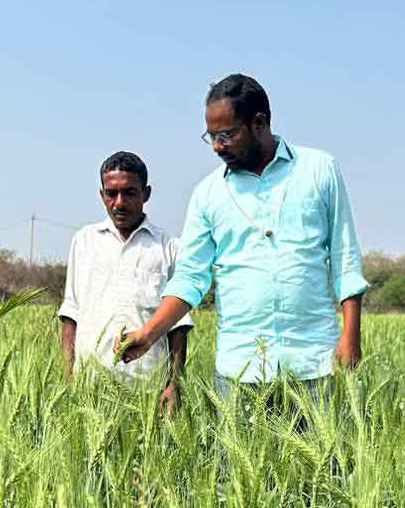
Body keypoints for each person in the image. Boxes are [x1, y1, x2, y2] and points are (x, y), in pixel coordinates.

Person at [117, 74, 368, 399]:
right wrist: (149, 334)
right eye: (211, 137)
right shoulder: (208, 193)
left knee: (326, 451)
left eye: (227, 135)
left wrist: (351, 335)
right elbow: (190, 278)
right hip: (240, 372)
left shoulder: (319, 170)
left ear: (259, 123)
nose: (218, 147)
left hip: (314, 362)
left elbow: (345, 257)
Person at [58, 151, 193, 412]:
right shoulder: (84, 242)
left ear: (147, 193)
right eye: (111, 193)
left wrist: (174, 384)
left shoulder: (168, 247)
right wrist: (69, 375)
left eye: (130, 192)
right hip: (91, 388)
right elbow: (70, 315)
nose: (119, 202)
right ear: (102, 195)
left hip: (147, 388)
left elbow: (179, 326)